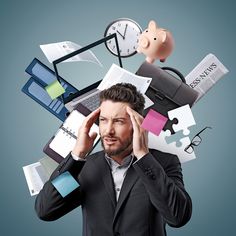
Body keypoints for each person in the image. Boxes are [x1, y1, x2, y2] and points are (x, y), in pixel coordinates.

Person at [35, 83, 192, 236]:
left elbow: (178, 217)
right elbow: (46, 210)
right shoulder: (84, 168)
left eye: (118, 121)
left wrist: (143, 156)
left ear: (137, 124)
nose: (108, 130)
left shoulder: (164, 162)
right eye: (103, 120)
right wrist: (77, 155)